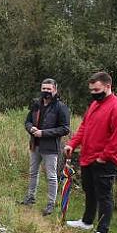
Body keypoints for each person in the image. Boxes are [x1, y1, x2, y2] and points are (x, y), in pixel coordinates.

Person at [64, 72, 117, 233]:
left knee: (104, 195)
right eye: (92, 90)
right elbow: (84, 127)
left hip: (105, 160)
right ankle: (87, 221)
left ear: (108, 86)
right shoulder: (94, 104)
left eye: (97, 89)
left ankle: (102, 231)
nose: (94, 92)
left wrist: (104, 157)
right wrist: (72, 143)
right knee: (89, 190)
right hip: (88, 157)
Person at [23, 78, 71, 215]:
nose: (46, 91)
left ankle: (51, 204)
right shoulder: (36, 104)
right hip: (34, 145)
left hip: (50, 147)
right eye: (44, 89)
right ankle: (30, 198)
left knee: (51, 176)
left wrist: (44, 133)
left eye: (49, 89)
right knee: (33, 172)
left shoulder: (61, 107)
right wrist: (31, 128)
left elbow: (65, 129)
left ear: (55, 90)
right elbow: (27, 121)